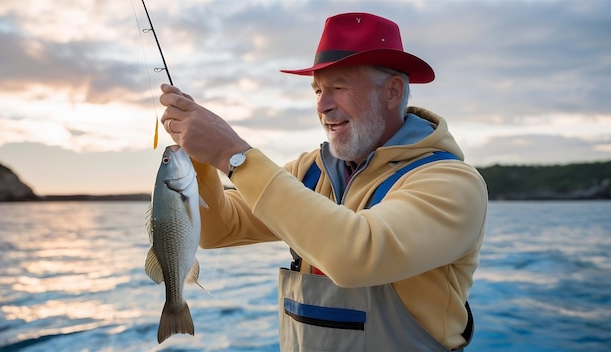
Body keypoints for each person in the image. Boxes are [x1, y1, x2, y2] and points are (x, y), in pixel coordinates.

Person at [159, 12, 487, 352]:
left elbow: (357, 255)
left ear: (392, 92)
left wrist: (233, 155)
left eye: (338, 88)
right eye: (317, 89)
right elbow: (217, 230)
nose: (323, 105)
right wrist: (197, 159)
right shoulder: (310, 170)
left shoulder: (451, 182)